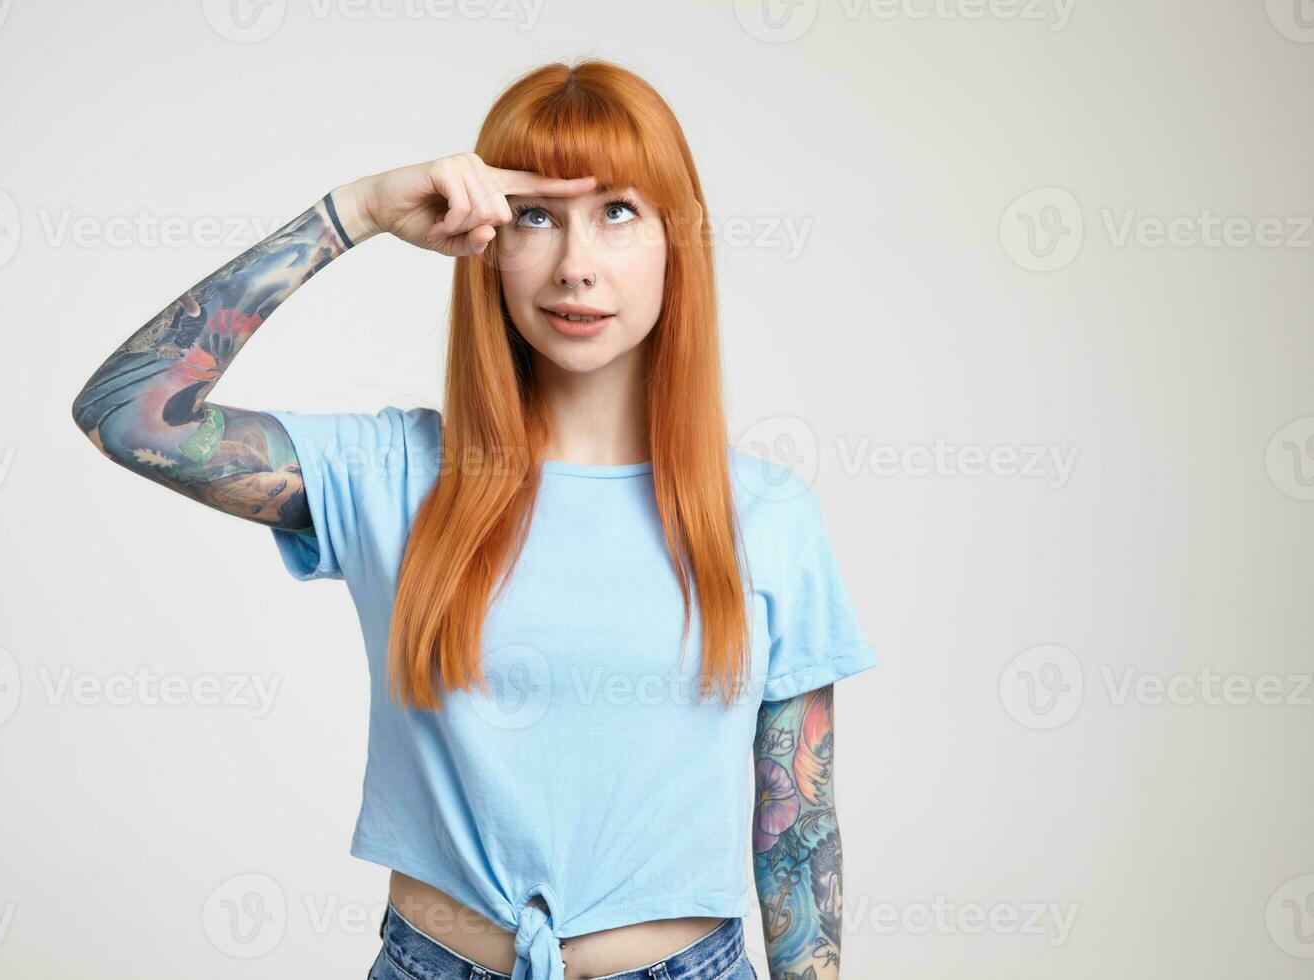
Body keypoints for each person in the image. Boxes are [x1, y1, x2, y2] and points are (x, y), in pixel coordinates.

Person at [71, 59, 877, 980]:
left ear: (675, 242)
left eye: (618, 211)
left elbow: (796, 827)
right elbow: (128, 414)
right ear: (485, 241)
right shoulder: (390, 475)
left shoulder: (764, 516)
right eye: (535, 214)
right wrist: (356, 212)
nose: (576, 264)